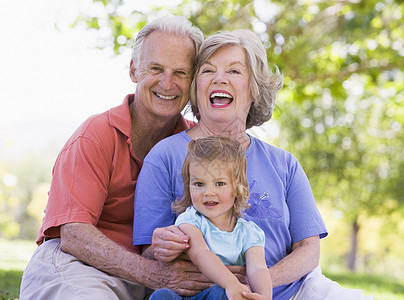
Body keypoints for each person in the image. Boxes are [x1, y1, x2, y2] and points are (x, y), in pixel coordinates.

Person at [134, 29, 373, 300]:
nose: (219, 79)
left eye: (234, 71)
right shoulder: (164, 156)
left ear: (254, 89)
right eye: (207, 71)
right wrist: (164, 246)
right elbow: (149, 255)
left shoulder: (284, 163)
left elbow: (309, 249)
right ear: (196, 87)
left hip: (291, 291)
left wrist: (258, 283)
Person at [19, 15, 208, 299]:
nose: (168, 83)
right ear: (134, 70)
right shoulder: (95, 136)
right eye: (156, 68)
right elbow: (74, 233)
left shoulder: (197, 143)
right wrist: (153, 274)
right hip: (81, 264)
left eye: (181, 73)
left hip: (152, 276)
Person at [149, 135, 272, 300]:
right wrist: (232, 284)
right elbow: (201, 254)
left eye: (220, 183)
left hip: (222, 294)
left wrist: (264, 296)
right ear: (188, 185)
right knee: (162, 296)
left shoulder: (249, 232)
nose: (208, 193)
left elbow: (257, 268)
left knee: (222, 294)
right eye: (199, 184)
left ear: (237, 188)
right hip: (191, 296)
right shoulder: (190, 221)